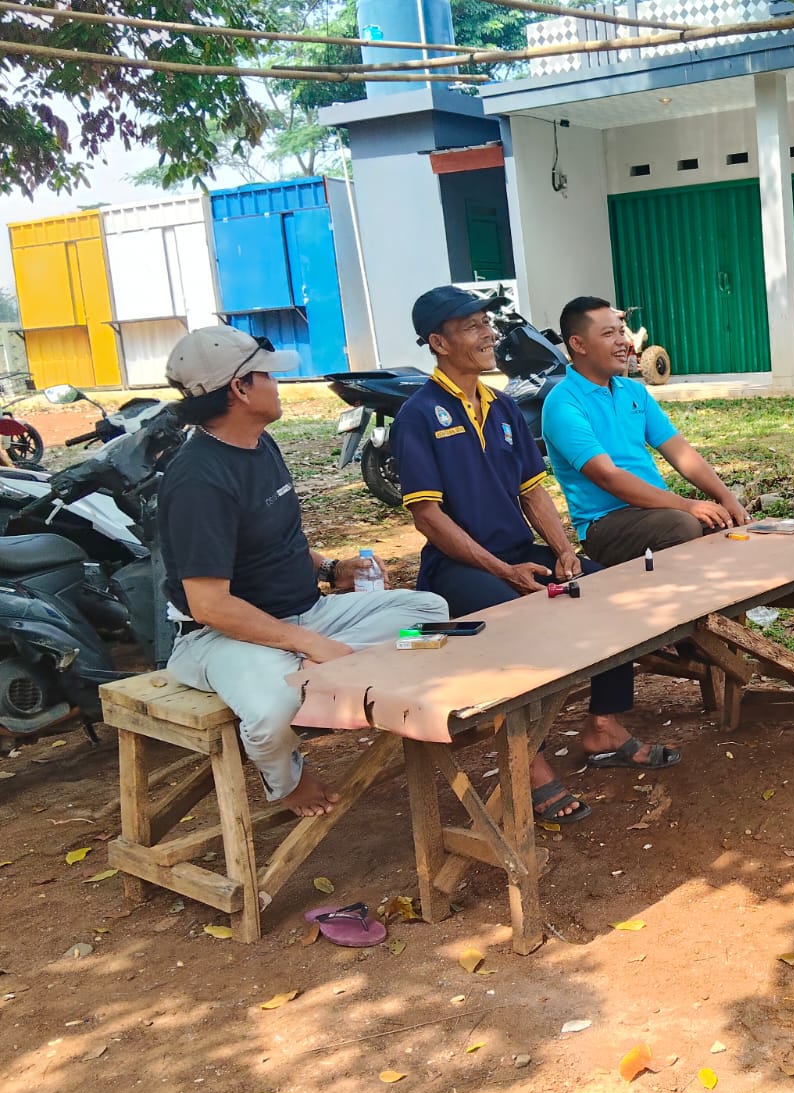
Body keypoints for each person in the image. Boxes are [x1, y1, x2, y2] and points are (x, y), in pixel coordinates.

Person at [391, 286, 680, 826]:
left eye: (486, 322)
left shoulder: (501, 406)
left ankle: (603, 726)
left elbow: (533, 492)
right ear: (438, 343)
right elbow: (428, 517)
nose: (488, 334)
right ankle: (528, 758)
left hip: (521, 552)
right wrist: (503, 570)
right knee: (517, 622)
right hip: (459, 567)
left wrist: (565, 550)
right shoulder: (418, 415)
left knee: (614, 593)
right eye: (472, 327)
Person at [159, 326, 448, 818]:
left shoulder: (259, 443)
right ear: (240, 388)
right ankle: (286, 779)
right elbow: (209, 606)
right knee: (272, 712)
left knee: (428, 612)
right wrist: (309, 643)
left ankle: (315, 668)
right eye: (268, 376)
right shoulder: (198, 480)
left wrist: (332, 569)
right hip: (221, 637)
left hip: (305, 616)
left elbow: (276, 540)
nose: (277, 384)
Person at [541, 296, 748, 566]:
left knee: (724, 524)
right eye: (608, 334)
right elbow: (607, 476)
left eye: (621, 332)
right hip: (605, 523)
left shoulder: (633, 391)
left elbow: (681, 452)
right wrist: (687, 505)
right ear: (578, 344)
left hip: (656, 509)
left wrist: (726, 498)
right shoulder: (563, 403)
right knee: (683, 526)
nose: (622, 342)